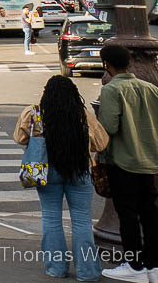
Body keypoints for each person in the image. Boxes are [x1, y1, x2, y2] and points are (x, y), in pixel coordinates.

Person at [15, 74, 106, 281]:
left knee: (51, 218)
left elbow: (19, 138)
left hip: (46, 171)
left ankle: (56, 268)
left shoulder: (33, 114)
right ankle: (87, 271)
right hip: (78, 170)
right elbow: (101, 143)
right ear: (74, 95)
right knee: (82, 220)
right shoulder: (84, 117)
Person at [97, 42, 158, 282]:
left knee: (128, 216)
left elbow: (109, 127)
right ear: (129, 62)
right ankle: (153, 265)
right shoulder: (150, 88)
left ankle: (134, 265)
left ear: (107, 65)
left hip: (123, 162)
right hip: (150, 160)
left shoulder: (112, 90)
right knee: (149, 214)